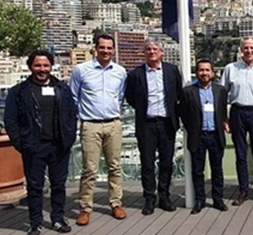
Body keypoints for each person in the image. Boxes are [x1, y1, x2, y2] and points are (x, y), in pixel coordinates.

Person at [5, 50, 77, 235]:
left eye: (45, 65)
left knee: (59, 185)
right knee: (35, 187)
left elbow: (71, 114)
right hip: (33, 146)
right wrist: (21, 143)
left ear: (51, 67)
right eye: (38, 65)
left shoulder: (62, 89)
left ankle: (58, 219)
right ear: (30, 67)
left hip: (59, 145)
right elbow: (10, 120)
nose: (42, 69)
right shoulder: (19, 91)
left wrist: (69, 138)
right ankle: (35, 222)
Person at [69, 34, 127, 226]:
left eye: (109, 48)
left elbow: (120, 97)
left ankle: (116, 203)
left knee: (115, 166)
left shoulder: (120, 72)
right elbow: (73, 98)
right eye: (102, 47)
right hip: (90, 125)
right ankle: (85, 208)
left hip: (113, 123)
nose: (106, 51)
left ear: (114, 50)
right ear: (96, 48)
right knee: (89, 169)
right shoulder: (81, 70)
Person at [125, 41, 183, 215]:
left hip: (167, 123)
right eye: (148, 49)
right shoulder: (136, 74)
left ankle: (164, 197)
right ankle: (149, 199)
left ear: (161, 52)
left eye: (155, 49)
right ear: (144, 53)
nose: (152, 52)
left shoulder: (172, 71)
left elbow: (178, 93)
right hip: (147, 124)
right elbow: (130, 98)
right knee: (147, 163)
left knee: (166, 163)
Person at [220, 36, 253, 205]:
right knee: (240, 155)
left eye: (251, 48)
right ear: (241, 50)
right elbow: (221, 95)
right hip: (237, 112)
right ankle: (243, 191)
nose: (249, 51)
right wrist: (224, 119)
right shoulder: (230, 68)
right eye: (246, 48)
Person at [180, 59, 229, 214]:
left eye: (207, 70)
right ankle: (200, 200)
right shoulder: (188, 91)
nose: (204, 73)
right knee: (198, 171)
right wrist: (192, 128)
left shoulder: (220, 90)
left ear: (212, 72)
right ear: (197, 73)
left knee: (217, 170)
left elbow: (222, 111)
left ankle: (217, 199)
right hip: (198, 136)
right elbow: (182, 113)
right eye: (201, 70)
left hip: (216, 135)